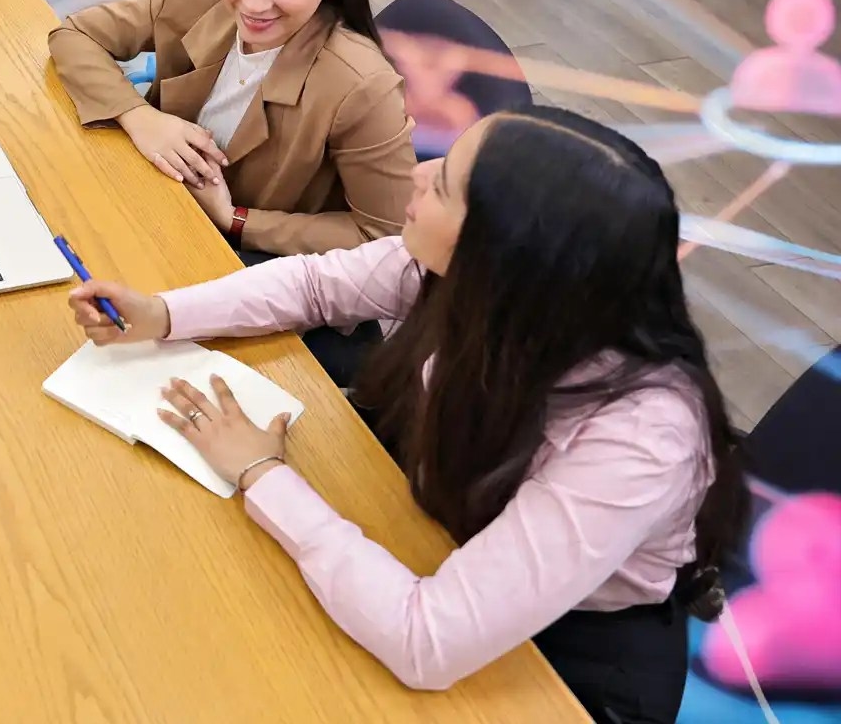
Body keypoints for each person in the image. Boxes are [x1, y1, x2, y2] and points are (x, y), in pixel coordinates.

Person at [66, 106, 748, 723]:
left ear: (506, 253)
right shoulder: (480, 281)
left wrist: (262, 473)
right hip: (441, 527)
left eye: (445, 184)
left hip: (567, 651)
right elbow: (315, 283)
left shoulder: (642, 435)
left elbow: (428, 642)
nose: (418, 176)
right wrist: (164, 314)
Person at [49, 0, 415, 259]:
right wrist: (139, 117)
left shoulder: (361, 86)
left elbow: (386, 238)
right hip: (154, 212)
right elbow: (75, 35)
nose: (254, 4)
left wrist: (235, 218)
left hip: (258, 271)